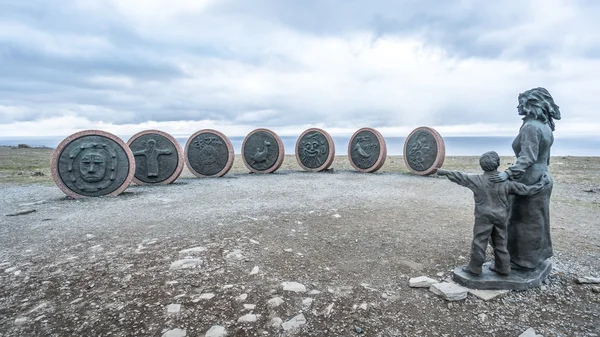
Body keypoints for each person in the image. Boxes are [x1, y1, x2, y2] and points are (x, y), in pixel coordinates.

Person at [437, 151, 550, 276]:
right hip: (501, 217)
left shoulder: (476, 180)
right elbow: (527, 190)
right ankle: (503, 268)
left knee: (479, 242)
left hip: (483, 217)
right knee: (501, 242)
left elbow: (459, 176)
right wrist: (542, 183)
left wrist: (442, 171)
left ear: (481, 165)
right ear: (497, 164)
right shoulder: (506, 182)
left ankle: (474, 268)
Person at [490, 87, 561, 270]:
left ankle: (523, 261)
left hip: (529, 179)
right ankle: (534, 257)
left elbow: (528, 157)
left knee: (523, 221)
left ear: (531, 104)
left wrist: (508, 173)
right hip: (543, 176)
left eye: (520, 102)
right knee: (537, 220)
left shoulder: (531, 126)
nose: (517, 106)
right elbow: (544, 157)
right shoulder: (545, 126)